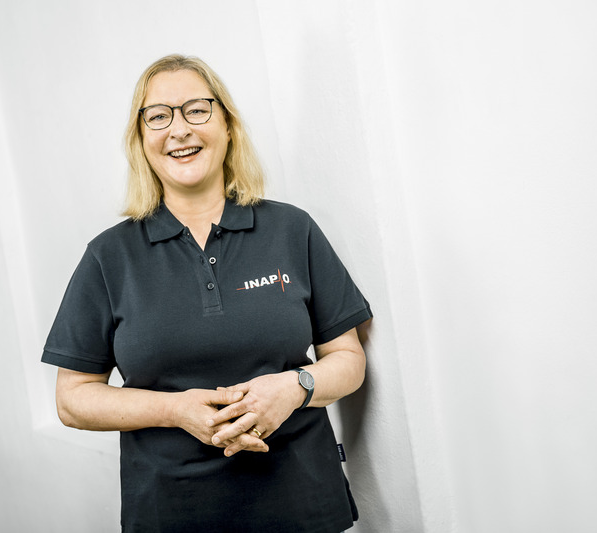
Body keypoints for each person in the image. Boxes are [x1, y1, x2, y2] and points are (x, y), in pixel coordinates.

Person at [42, 54, 372, 532]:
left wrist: (294, 388)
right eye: (158, 116)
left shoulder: (291, 229)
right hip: (173, 513)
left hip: (303, 505)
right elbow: (73, 399)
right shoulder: (109, 257)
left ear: (228, 126)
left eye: (197, 110)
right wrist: (175, 410)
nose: (179, 130)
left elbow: (349, 358)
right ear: (141, 141)